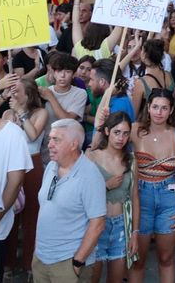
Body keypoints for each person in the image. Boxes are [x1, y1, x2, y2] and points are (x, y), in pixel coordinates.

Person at [132, 88, 175, 283]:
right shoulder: (134, 130)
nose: (159, 112)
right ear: (148, 108)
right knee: (137, 260)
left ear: (171, 111)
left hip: (169, 199)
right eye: (155, 107)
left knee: (166, 258)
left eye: (164, 108)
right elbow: (104, 141)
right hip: (140, 198)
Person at [35, 119, 107, 282]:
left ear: (74, 145)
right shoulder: (51, 167)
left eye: (56, 140)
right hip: (41, 258)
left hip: (67, 263)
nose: (50, 144)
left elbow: (98, 224)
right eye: (50, 139)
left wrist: (77, 262)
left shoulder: (90, 176)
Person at [86, 112, 136, 283]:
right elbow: (81, 194)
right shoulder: (91, 157)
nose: (121, 138)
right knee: (92, 277)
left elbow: (135, 198)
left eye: (125, 133)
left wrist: (134, 233)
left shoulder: (131, 160)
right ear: (107, 131)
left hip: (121, 225)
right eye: (117, 132)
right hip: (97, 224)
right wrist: (106, 186)